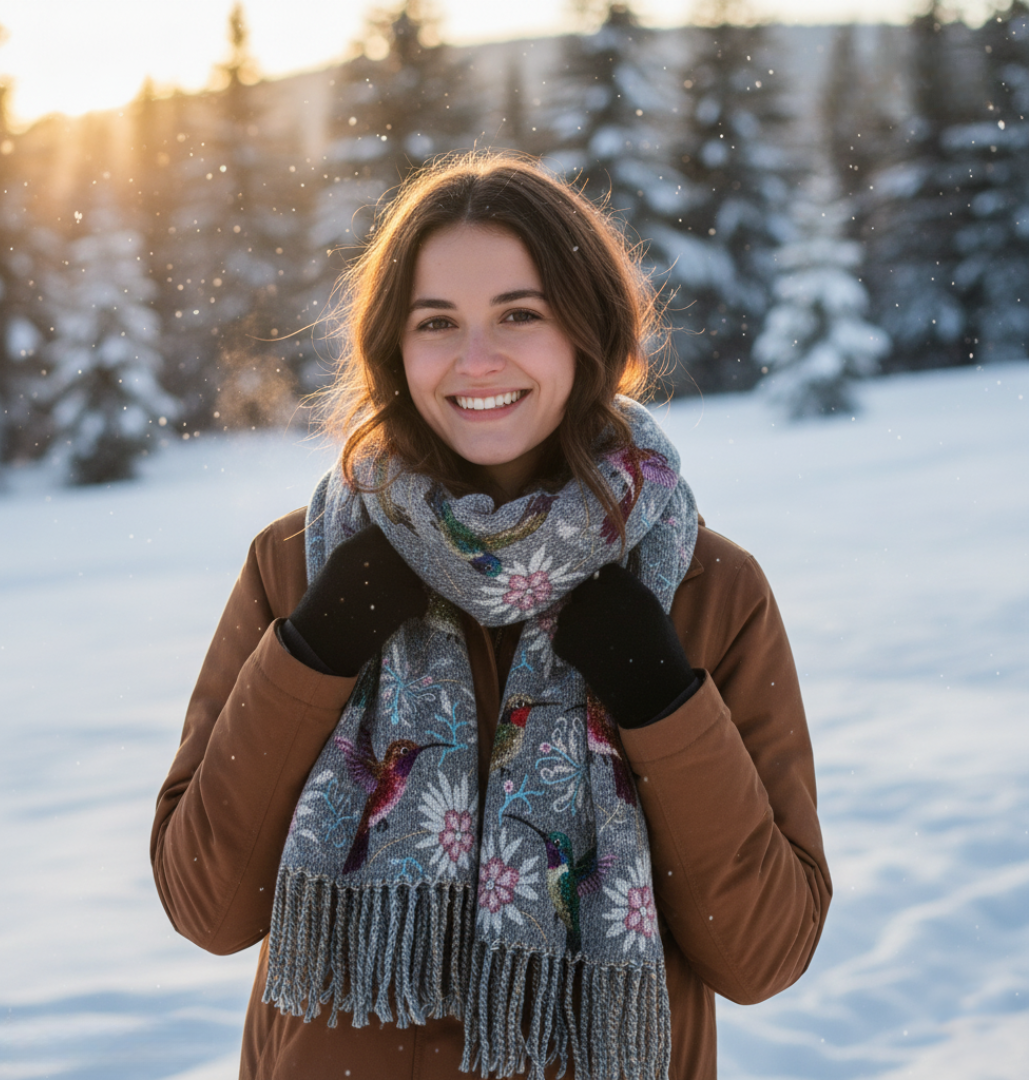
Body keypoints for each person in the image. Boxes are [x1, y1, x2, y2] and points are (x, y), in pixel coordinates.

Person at [151, 152, 831, 1080]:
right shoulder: (300, 564)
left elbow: (765, 953)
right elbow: (207, 905)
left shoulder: (706, 588)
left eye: (520, 313)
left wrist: (663, 700)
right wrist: (313, 651)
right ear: (394, 347)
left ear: (587, 330)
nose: (477, 360)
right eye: (438, 323)